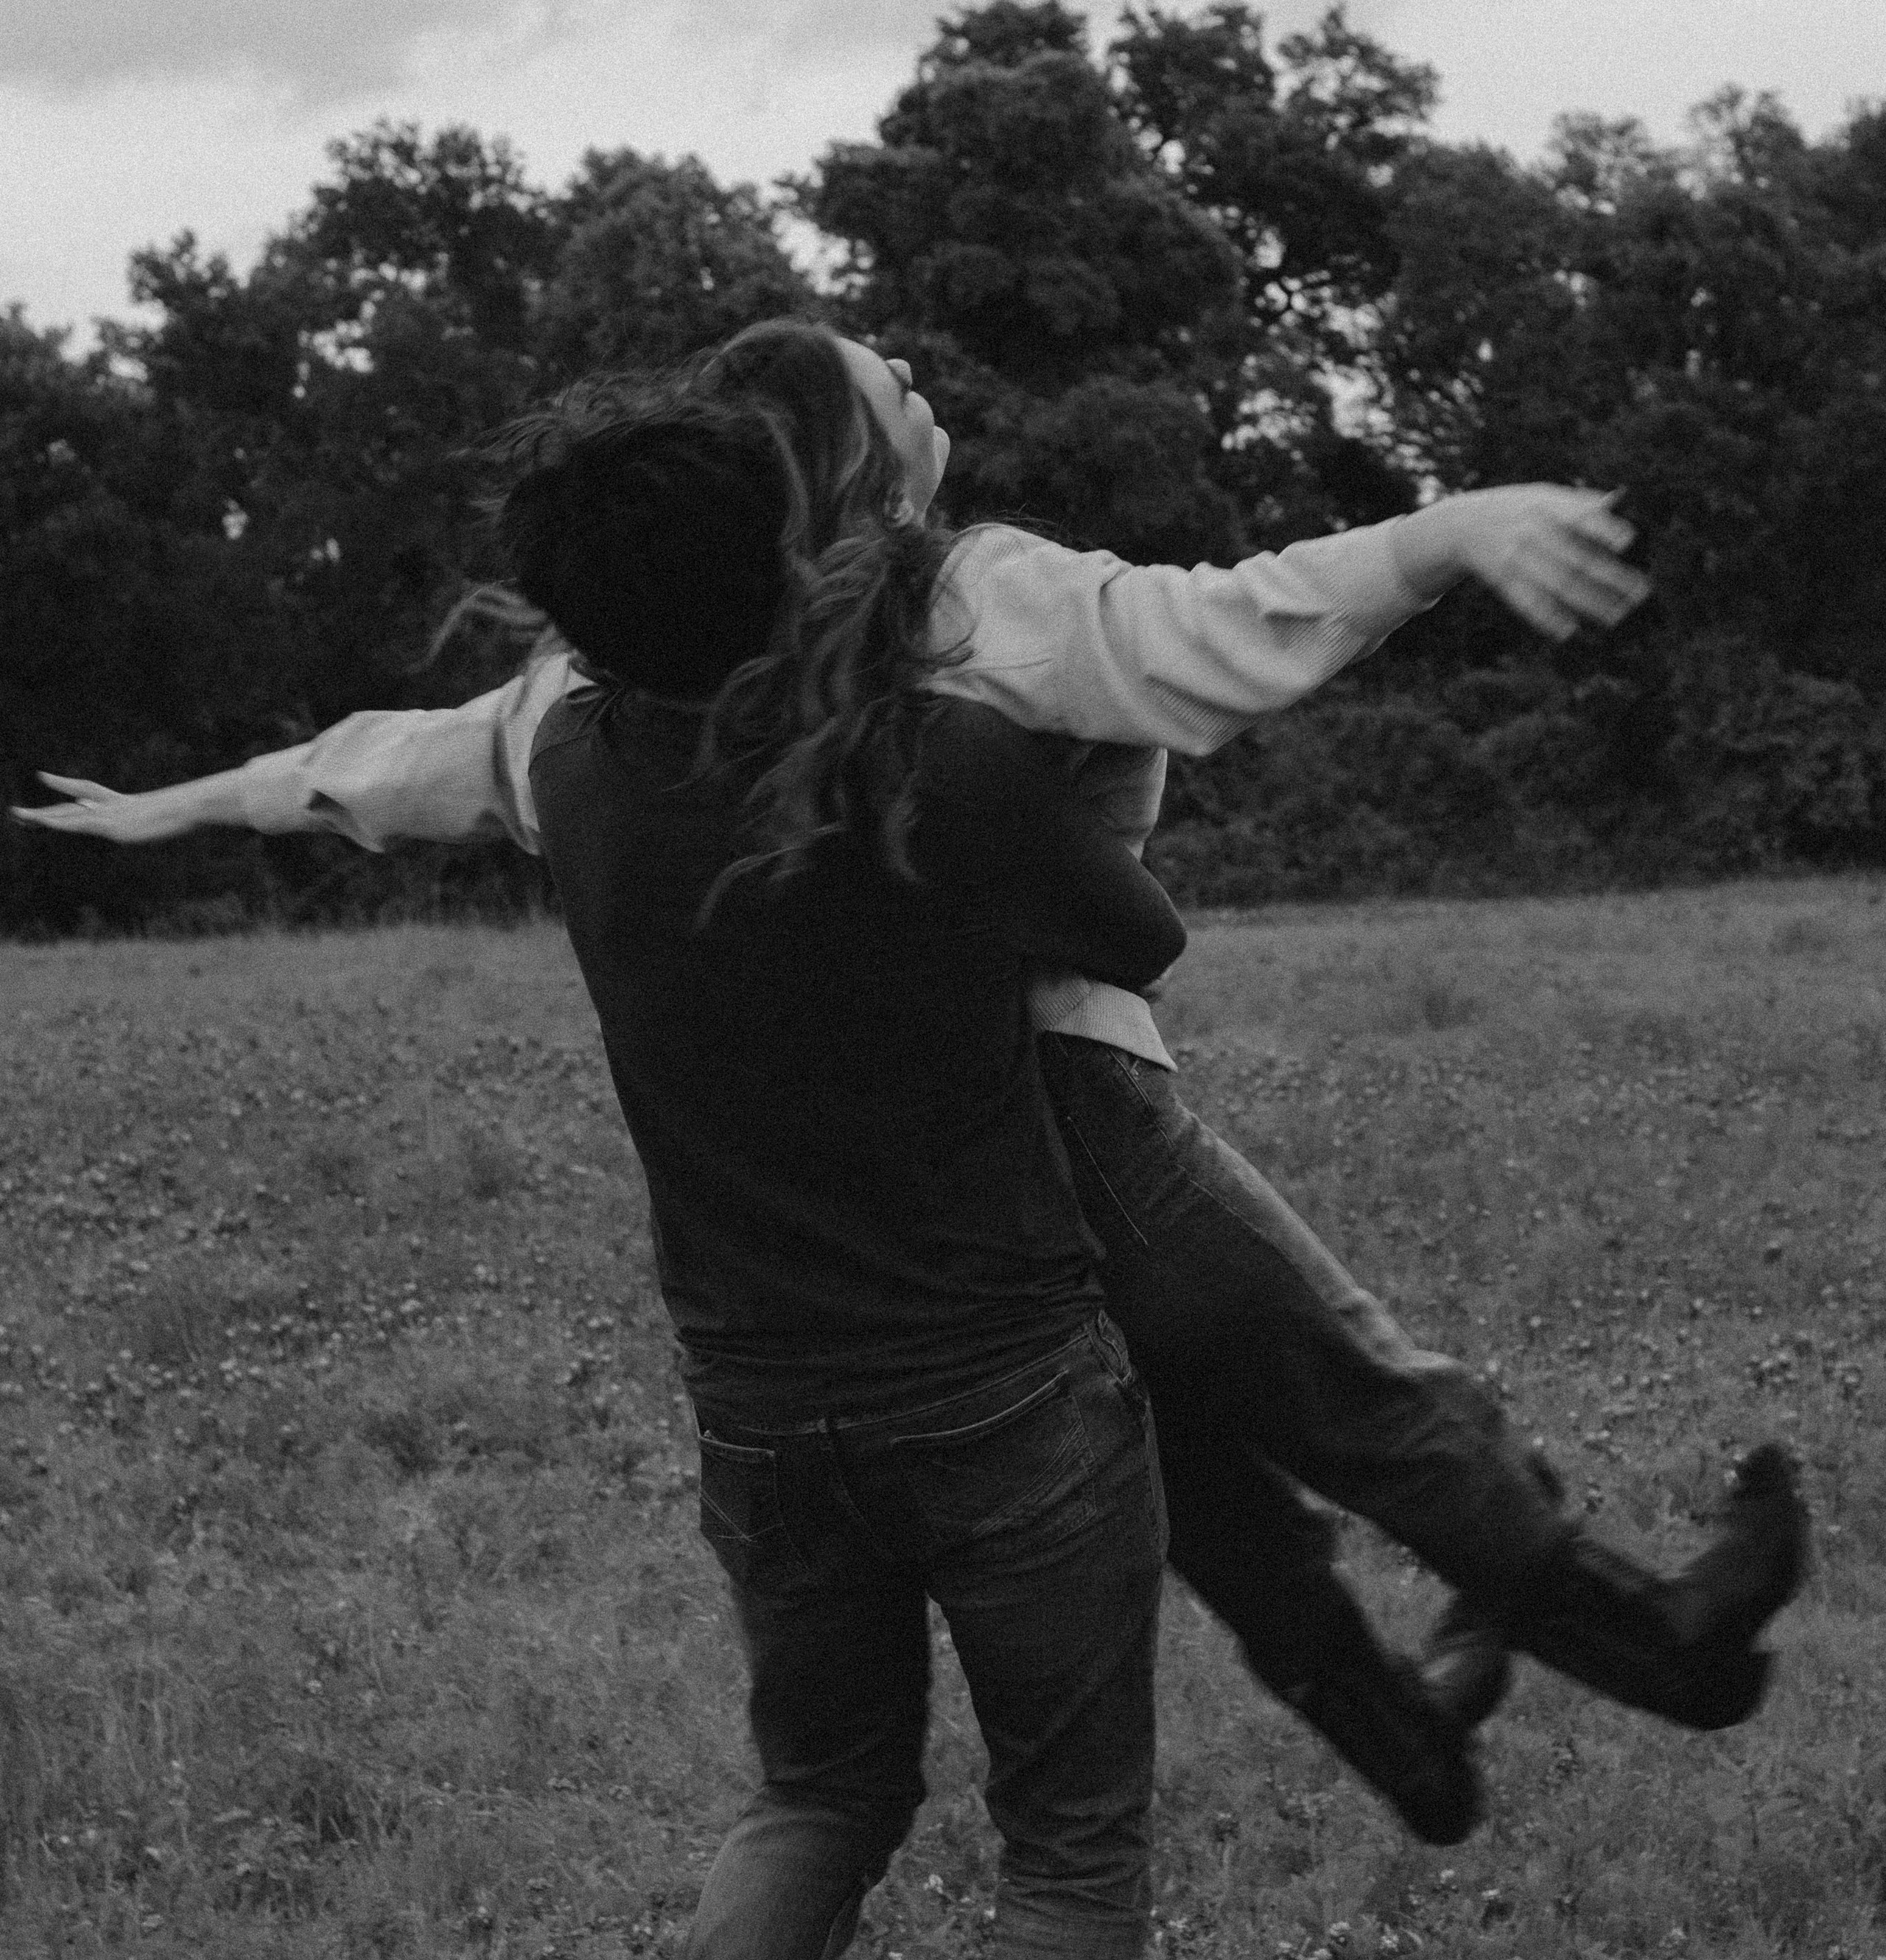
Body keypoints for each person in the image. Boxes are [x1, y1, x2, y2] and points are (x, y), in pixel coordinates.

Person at [17, 322, 1809, 1841]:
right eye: (876, 373)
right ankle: (1659, 1641)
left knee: (1182, 1451)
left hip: (877, 1178)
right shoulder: (977, 598)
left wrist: (188, 801)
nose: (901, 364)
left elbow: (399, 763)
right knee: (1349, 1383)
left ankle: (1391, 1728)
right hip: (1066, 1109)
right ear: (862, 468)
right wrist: (1448, 530)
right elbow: (1229, 625)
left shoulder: (628, 676)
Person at [504, 363, 1183, 1960]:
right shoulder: (929, 757)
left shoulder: (572, 770)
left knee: (811, 1797)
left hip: (756, 1405)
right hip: (1005, 1385)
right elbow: (1139, 936)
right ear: (784, 556)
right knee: (1070, 1848)